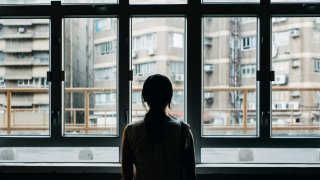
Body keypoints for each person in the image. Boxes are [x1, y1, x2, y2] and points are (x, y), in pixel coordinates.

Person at [121, 74, 196, 180]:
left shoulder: (131, 131)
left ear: (145, 98)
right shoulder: (183, 131)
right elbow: (190, 176)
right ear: (169, 98)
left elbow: (127, 177)